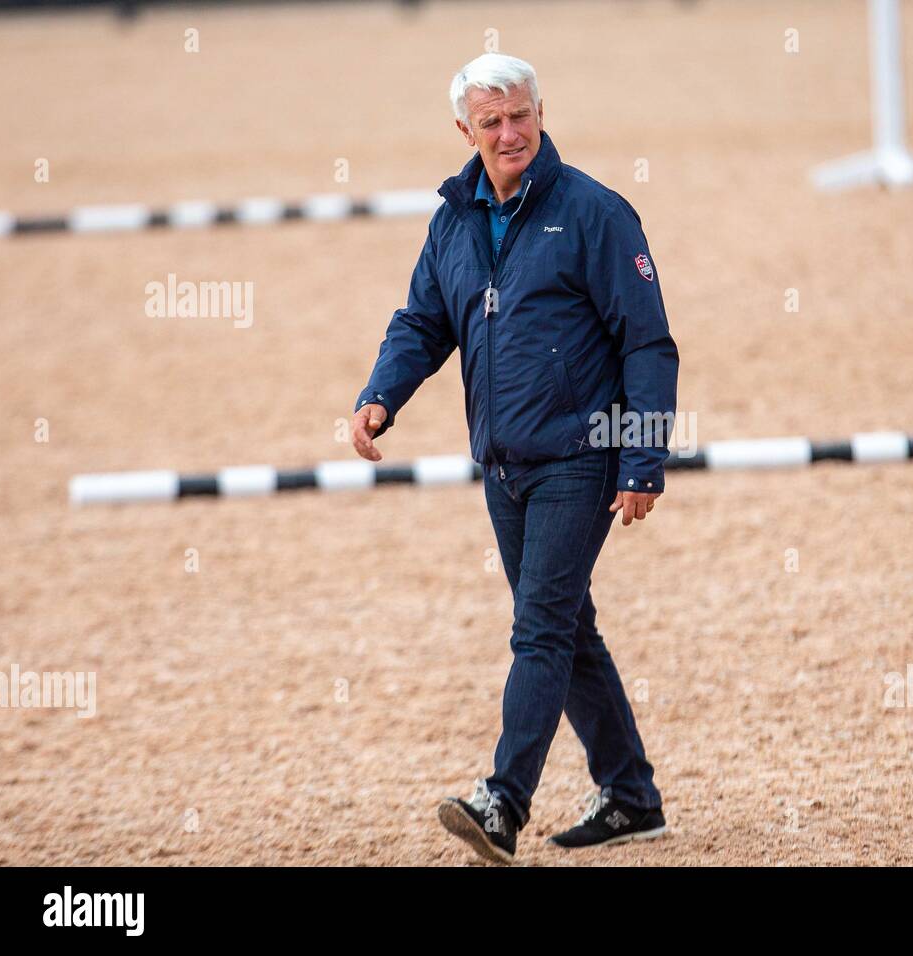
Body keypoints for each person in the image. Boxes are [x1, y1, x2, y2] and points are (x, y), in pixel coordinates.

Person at [351, 53, 679, 864]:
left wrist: (641, 461)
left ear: (542, 112)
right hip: (500, 463)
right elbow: (423, 322)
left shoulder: (597, 214)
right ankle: (631, 798)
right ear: (464, 129)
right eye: (491, 121)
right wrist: (380, 396)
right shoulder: (453, 220)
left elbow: (648, 345)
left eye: (521, 116)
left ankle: (502, 802)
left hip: (580, 457)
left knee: (538, 628)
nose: (510, 133)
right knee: (569, 630)